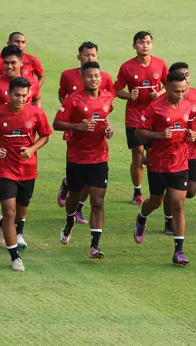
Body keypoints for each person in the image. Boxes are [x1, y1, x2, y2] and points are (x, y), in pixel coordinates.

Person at [0, 77, 52, 272]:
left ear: (29, 95)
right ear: (8, 94)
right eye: (16, 95)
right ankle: (15, 257)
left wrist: (31, 149)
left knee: (20, 214)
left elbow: (45, 135)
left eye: (24, 95)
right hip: (4, 169)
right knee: (10, 210)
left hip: (28, 169)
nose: (20, 99)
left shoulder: (36, 113)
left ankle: (6, 225)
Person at [0, 45, 42, 248]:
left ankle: (12, 231)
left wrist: (33, 117)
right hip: (1, 144)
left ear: (22, 63)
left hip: (23, 146)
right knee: (0, 185)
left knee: (18, 196)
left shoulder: (29, 83)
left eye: (13, 62)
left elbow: (37, 101)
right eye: (5, 63)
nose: (9, 66)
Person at [133, 70, 196, 266]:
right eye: (176, 91)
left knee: (178, 203)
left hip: (179, 161)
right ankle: (142, 217)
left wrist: (191, 136)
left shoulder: (187, 106)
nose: (180, 95)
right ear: (167, 87)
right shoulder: (155, 108)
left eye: (183, 91)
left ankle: (179, 251)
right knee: (156, 201)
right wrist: (160, 135)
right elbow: (138, 131)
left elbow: (189, 129)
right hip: (158, 163)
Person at [54, 62, 114, 259]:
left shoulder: (107, 97)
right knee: (74, 196)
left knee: (97, 201)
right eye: (89, 76)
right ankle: (70, 219)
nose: (94, 79)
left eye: (96, 76)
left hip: (100, 156)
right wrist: (79, 127)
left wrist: (108, 130)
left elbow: (105, 118)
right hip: (77, 157)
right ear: (82, 78)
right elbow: (57, 123)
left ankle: (95, 246)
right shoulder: (73, 100)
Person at [115, 31, 169, 205]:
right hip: (134, 115)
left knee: (153, 154)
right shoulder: (126, 67)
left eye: (147, 42)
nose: (144, 45)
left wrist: (159, 93)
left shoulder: (160, 64)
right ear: (134, 46)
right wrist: (129, 95)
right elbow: (117, 90)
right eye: (140, 42)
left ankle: (156, 190)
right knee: (138, 153)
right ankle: (137, 191)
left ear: (152, 44)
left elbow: (170, 85)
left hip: (155, 116)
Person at [167, 62, 196, 235]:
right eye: (181, 75)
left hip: (192, 150)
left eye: (187, 74)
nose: (185, 78)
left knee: (191, 191)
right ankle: (170, 220)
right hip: (173, 152)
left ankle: (174, 210)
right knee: (175, 192)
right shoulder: (167, 99)